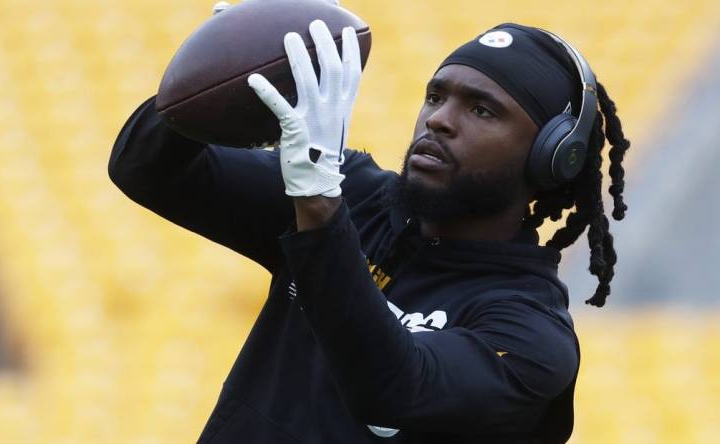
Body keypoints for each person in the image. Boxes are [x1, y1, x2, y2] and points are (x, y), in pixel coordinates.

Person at [108, 9, 630, 444]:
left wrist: (318, 205)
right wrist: (223, 65)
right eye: (435, 95)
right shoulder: (354, 194)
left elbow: (394, 387)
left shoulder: (530, 332)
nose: (439, 120)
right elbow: (147, 169)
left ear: (551, 158)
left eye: (481, 110)